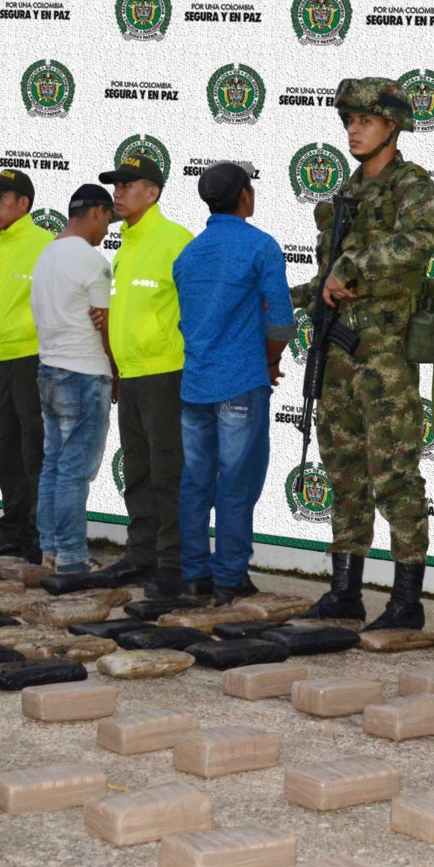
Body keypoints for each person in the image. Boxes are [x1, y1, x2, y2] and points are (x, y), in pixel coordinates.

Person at [290, 77, 434, 631]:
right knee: (345, 471)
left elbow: (420, 242)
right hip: (337, 352)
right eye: (349, 121)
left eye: (366, 122)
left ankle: (407, 601)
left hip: (383, 356)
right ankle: (345, 590)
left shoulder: (413, 187)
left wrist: (351, 269)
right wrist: (284, 304)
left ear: (392, 127)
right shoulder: (346, 195)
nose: (354, 130)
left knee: (396, 475)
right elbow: (325, 280)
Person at [172, 162, 296, 605]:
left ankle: (193, 576)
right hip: (241, 381)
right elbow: (281, 320)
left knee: (195, 482)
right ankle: (229, 578)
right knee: (236, 482)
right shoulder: (260, 246)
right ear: (244, 196)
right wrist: (270, 360)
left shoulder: (188, 254)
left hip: (195, 385)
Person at [84, 154, 193, 595]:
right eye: (116, 185)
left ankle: (173, 561)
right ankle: (141, 554)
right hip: (130, 375)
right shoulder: (126, 244)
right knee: (138, 472)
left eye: (129, 185)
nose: (118, 193)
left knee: (168, 473)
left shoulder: (176, 241)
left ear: (154, 192)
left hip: (167, 374)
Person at [29, 184, 118, 574]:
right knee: (73, 469)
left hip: (49, 366)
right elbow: (105, 323)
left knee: (54, 463)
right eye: (108, 219)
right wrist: (117, 370)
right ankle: (71, 554)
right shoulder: (92, 259)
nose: (108, 229)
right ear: (97, 212)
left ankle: (49, 549)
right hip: (84, 370)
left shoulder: (46, 254)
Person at [0, 168, 55, 564]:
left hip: (34, 358)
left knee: (34, 448)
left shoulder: (46, 243)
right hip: (5, 359)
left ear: (24, 204)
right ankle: (13, 528)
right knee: (6, 449)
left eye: (2, 198)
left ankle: (41, 534)